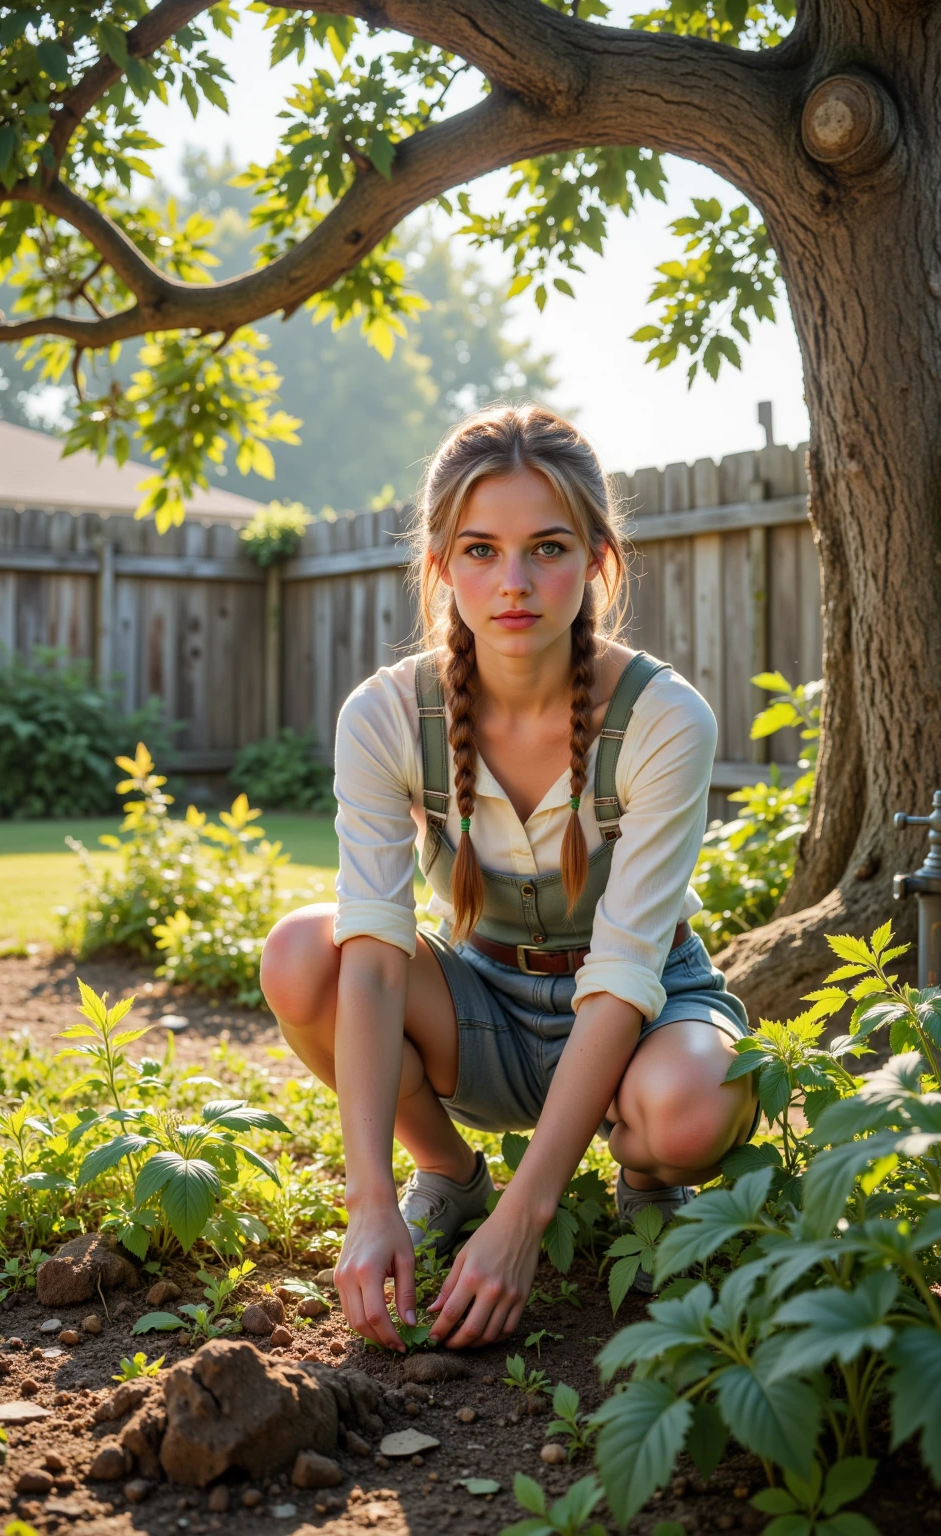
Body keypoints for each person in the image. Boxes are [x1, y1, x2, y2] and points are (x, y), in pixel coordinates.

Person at [260, 403, 759, 1355]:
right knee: (300, 954)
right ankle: (449, 1178)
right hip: (481, 1004)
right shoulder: (383, 717)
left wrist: (526, 1225)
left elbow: (624, 976)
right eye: (481, 551)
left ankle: (646, 1178)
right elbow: (373, 961)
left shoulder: (664, 719)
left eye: (549, 548)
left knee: (694, 1109)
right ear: (441, 565)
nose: (515, 583)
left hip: (643, 1007)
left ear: (599, 559)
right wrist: (368, 1201)